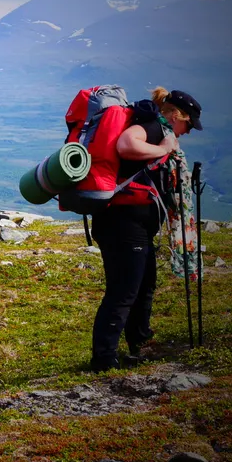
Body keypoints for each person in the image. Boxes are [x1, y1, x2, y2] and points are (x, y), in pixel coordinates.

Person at [89, 87, 203, 373]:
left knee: (144, 284)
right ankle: (104, 358)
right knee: (124, 290)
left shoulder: (158, 128)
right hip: (123, 224)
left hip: (131, 225)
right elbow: (126, 145)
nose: (187, 132)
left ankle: (140, 342)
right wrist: (165, 148)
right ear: (176, 115)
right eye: (187, 125)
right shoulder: (153, 127)